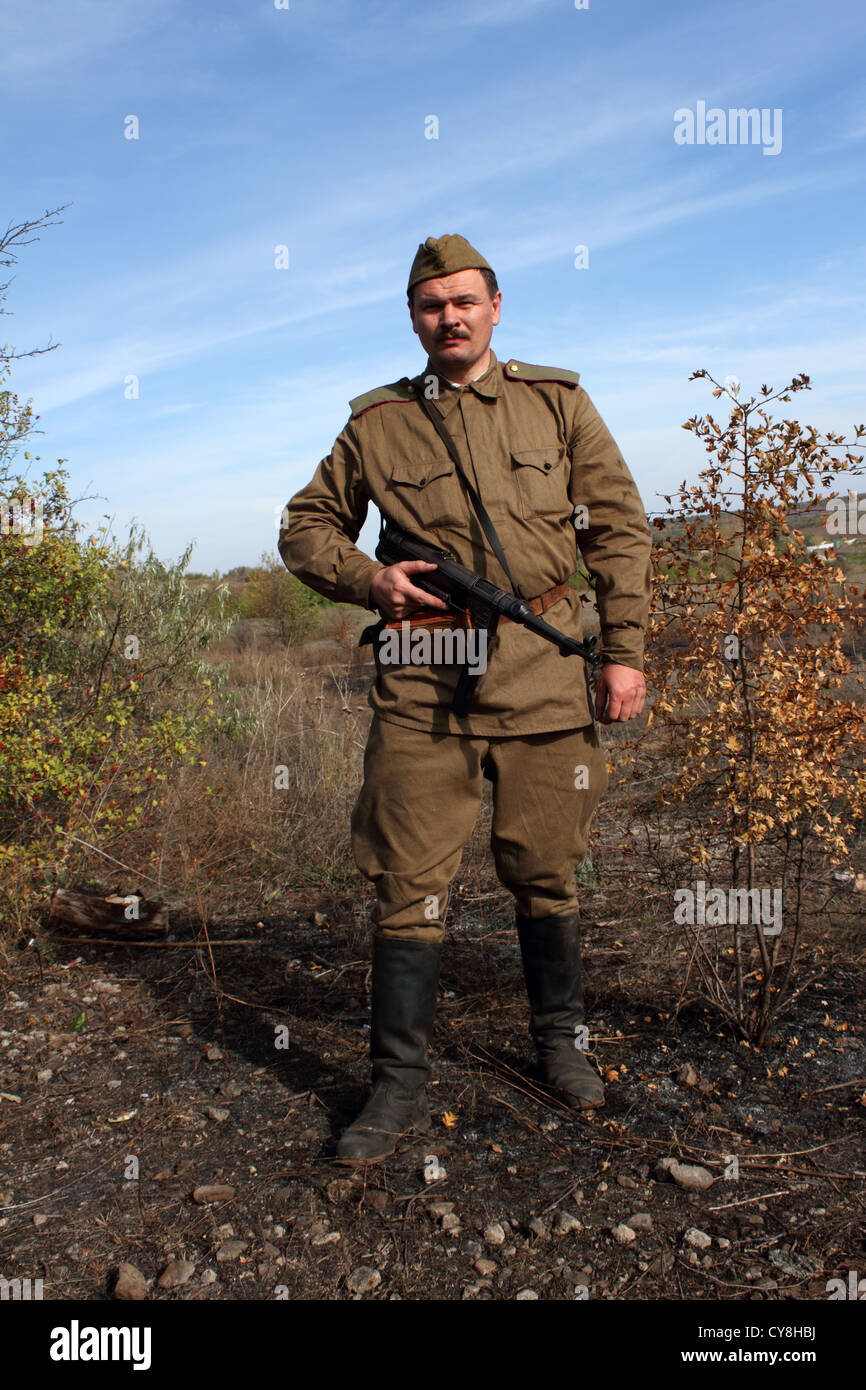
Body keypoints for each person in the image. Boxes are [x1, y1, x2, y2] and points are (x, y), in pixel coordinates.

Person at [278, 233, 651, 1165]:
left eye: (463, 301)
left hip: (543, 677)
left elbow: (620, 529)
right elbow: (305, 526)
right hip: (424, 685)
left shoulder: (557, 403)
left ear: (494, 308)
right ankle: (395, 1082)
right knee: (407, 886)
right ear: (414, 318)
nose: (448, 316)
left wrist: (624, 654)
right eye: (429, 305)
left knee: (547, 872)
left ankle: (558, 1047)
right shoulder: (378, 424)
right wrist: (370, 581)